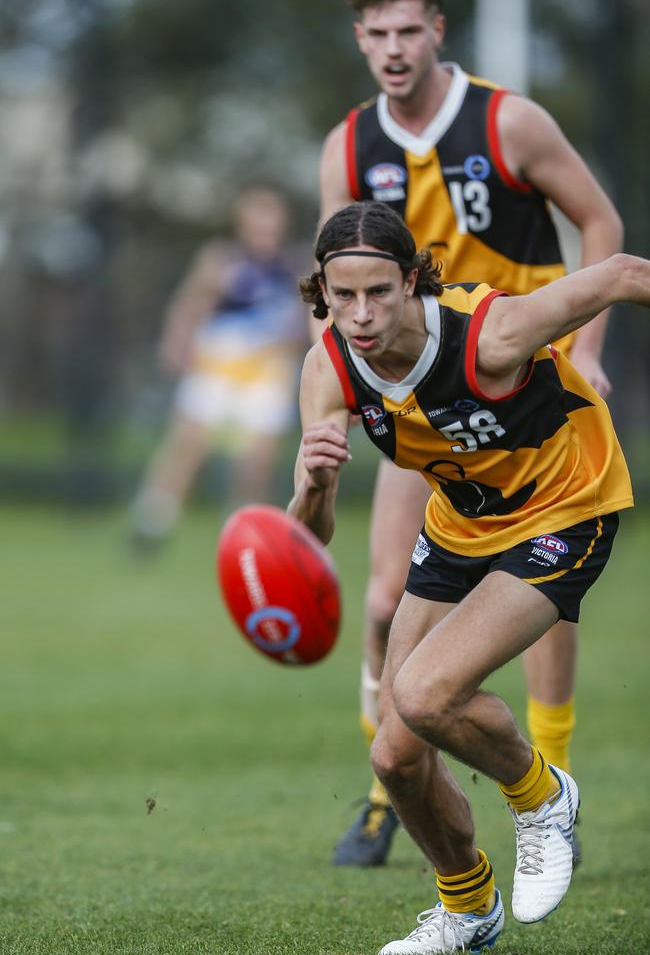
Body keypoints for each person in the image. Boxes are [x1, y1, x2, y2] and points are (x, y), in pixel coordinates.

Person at [318, 0, 624, 866]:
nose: (392, 49)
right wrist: (331, 392)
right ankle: (387, 786)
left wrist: (590, 354)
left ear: (438, 30)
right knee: (382, 597)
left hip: (520, 388)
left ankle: (553, 788)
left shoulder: (509, 120)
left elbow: (601, 226)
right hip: (415, 397)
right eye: (375, 34)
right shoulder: (347, 145)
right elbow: (332, 284)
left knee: (543, 602)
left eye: (408, 30)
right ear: (361, 41)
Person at [289, 200, 645, 954]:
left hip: (564, 510)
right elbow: (312, 535)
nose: (359, 313)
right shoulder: (327, 367)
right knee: (393, 752)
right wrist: (312, 487)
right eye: (341, 294)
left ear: (414, 279)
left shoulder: (493, 333)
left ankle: (542, 797)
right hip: (460, 526)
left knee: (425, 692)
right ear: (321, 288)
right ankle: (467, 907)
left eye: (379, 292)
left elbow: (618, 272)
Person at [130, 187, 305, 547]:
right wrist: (177, 344)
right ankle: (152, 521)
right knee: (188, 443)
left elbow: (305, 322)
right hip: (218, 363)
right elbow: (190, 304)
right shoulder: (222, 260)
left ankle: (245, 532)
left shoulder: (295, 266)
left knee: (257, 457)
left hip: (267, 368)